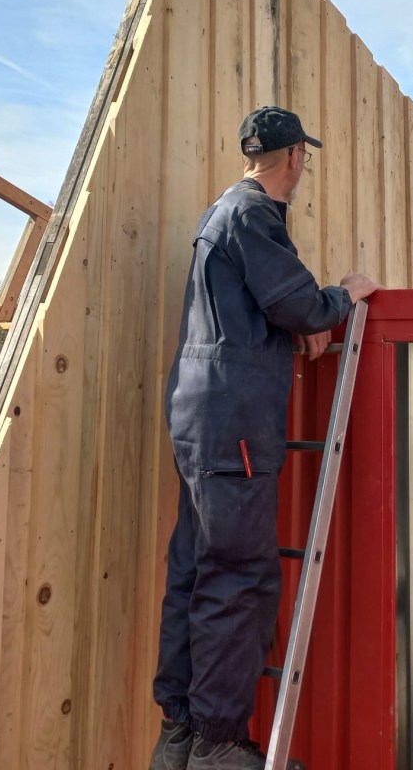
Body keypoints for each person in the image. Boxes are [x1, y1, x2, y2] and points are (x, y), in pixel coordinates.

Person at [150, 105, 382, 770]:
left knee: (196, 570)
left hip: (205, 418)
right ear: (297, 157)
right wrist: (345, 296)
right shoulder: (251, 214)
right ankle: (218, 743)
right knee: (239, 577)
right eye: (304, 156)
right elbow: (300, 303)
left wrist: (292, 328)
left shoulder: (228, 212)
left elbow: (263, 310)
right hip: (235, 425)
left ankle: (181, 734)